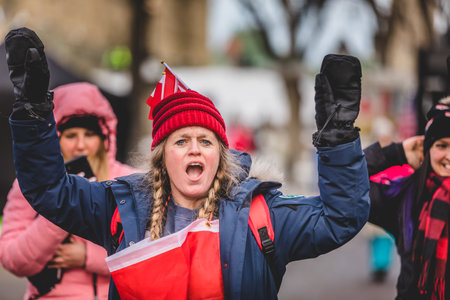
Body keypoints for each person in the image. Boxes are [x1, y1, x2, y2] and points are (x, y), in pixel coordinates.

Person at [4, 27, 370, 300]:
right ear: (163, 157)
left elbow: (341, 218)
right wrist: (33, 115)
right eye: (181, 141)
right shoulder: (120, 206)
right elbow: (49, 189)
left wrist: (337, 139)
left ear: (220, 156)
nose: (195, 149)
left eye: (206, 141)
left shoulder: (262, 214)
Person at [0, 81, 138, 299]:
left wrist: (88, 256)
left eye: (90, 135)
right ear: (56, 139)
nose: (81, 145)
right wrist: (60, 207)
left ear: (104, 138)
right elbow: (12, 259)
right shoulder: (32, 183)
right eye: (71, 135)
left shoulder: (128, 181)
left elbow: (150, 251)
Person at [364, 97, 450, 299]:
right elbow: (345, 186)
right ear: (427, 149)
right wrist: (396, 152)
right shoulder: (407, 196)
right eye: (441, 145)